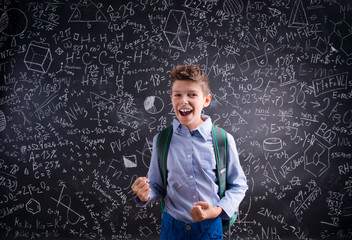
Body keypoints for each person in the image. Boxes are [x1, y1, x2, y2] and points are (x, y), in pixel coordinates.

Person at [132, 65, 248, 240]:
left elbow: (238, 185)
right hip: (172, 228)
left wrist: (215, 211)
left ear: (206, 100)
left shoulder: (223, 140)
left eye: (192, 94)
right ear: (171, 99)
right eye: (178, 95)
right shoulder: (162, 140)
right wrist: (146, 194)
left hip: (209, 229)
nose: (183, 100)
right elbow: (156, 185)